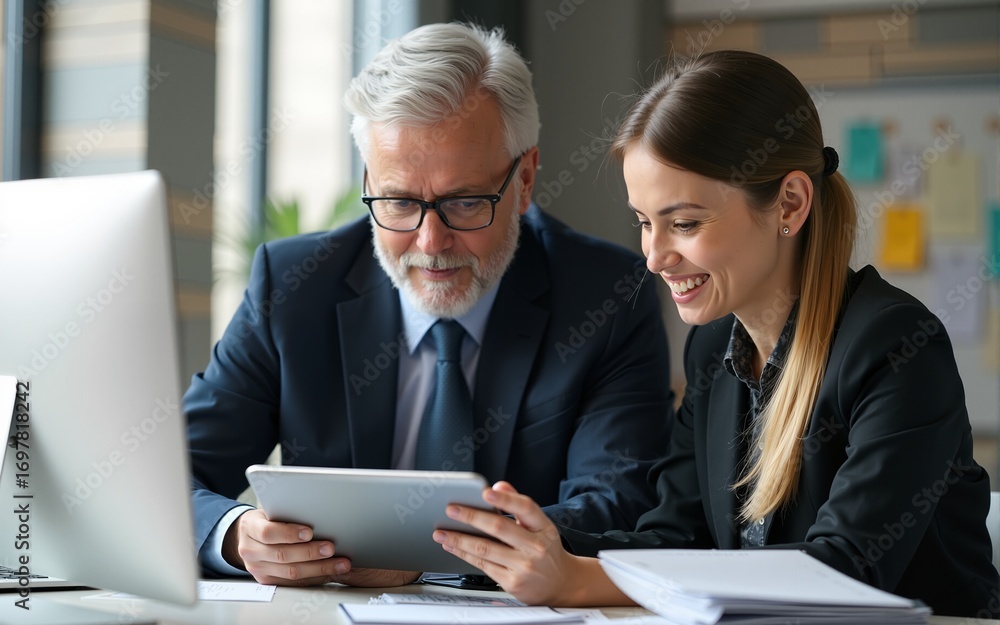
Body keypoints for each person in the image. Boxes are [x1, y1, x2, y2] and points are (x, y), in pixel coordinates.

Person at [432, 49, 1000, 618]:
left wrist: (579, 582)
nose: (655, 259)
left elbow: (843, 572)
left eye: (684, 224)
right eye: (644, 223)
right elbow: (674, 536)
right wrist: (510, 546)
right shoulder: (714, 349)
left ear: (790, 203)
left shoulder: (898, 346)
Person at [185, 22, 674, 588]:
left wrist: (421, 552)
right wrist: (235, 533)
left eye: (465, 202)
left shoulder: (607, 295)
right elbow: (169, 477)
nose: (430, 242)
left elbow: (617, 506)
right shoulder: (294, 286)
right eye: (397, 201)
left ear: (526, 180)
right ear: (369, 179)